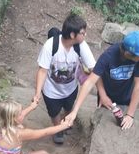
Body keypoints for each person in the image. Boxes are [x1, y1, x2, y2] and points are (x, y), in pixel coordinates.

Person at [65, 31, 139, 130]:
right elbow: (90, 81)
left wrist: (130, 115)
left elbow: (138, 85)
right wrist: (75, 111)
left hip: (127, 96)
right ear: (127, 53)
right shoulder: (109, 55)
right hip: (108, 95)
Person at [34, 13, 96, 144]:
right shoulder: (50, 46)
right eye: (83, 33)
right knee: (54, 112)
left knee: (69, 107)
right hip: (51, 90)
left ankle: (67, 120)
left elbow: (92, 68)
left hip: (70, 87)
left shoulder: (81, 45)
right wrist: (38, 93)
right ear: (73, 35)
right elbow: (42, 70)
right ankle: (58, 129)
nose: (85, 36)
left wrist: (87, 74)